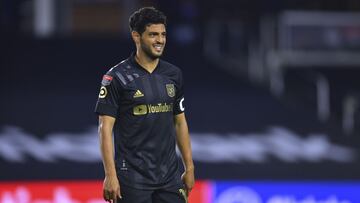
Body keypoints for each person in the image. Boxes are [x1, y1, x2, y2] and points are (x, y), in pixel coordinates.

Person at [95, 7, 195, 203]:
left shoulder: (174, 74)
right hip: (132, 178)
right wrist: (110, 175)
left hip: (169, 177)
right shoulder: (116, 77)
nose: (160, 40)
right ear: (136, 36)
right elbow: (104, 128)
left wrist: (189, 168)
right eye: (153, 35)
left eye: (163, 34)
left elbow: (180, 122)